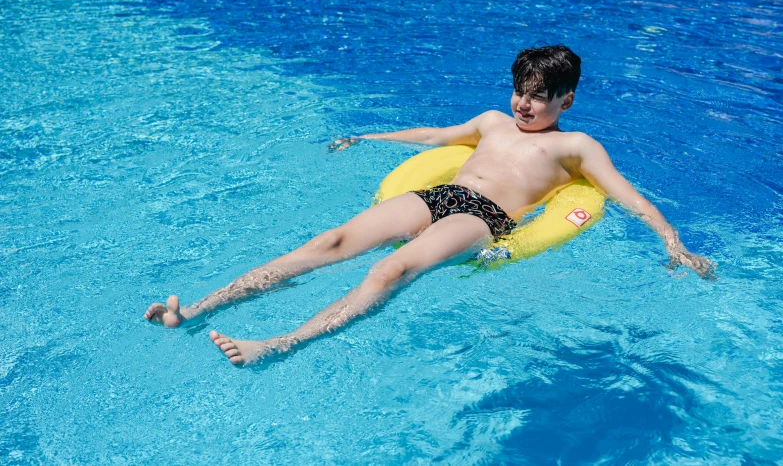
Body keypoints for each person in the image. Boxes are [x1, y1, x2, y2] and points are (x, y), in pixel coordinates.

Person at [144, 44, 715, 366]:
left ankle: (279, 343)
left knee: (391, 267)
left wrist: (674, 244)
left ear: (567, 99)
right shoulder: (493, 122)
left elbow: (626, 195)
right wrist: (371, 138)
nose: (524, 104)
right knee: (331, 242)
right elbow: (437, 137)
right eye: (520, 90)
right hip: (439, 195)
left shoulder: (576, 147)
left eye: (539, 98)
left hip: (484, 217)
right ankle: (194, 310)